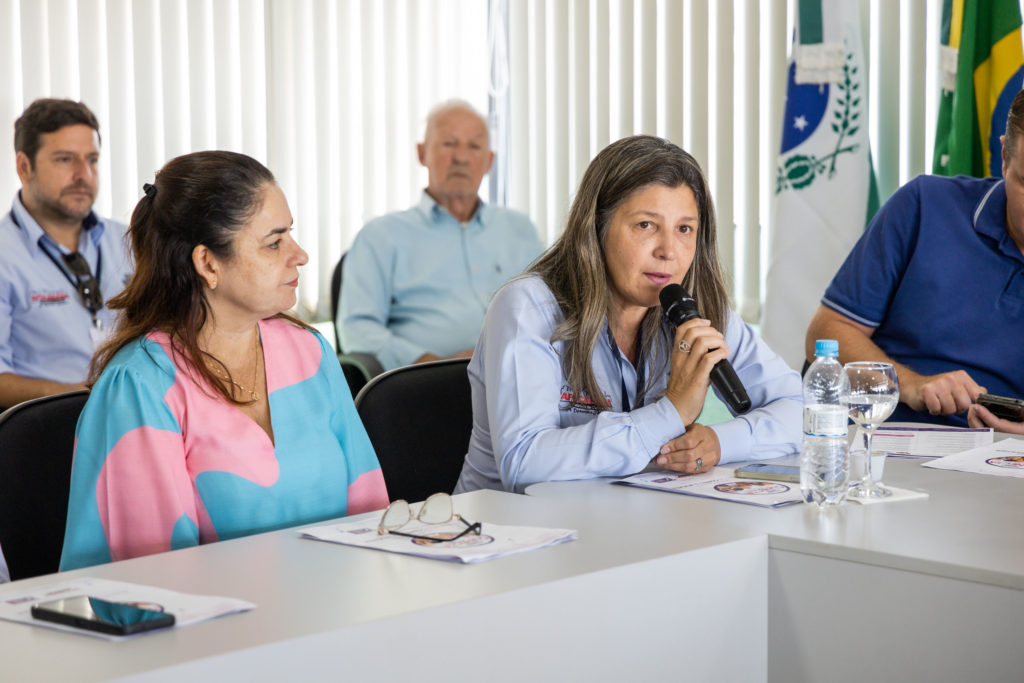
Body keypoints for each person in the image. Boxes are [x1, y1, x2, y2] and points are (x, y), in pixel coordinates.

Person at [60, 151, 389, 571]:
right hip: (218, 633)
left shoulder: (308, 350)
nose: (300, 254)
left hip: (336, 618)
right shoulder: (141, 386)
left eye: (291, 234)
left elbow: (373, 519)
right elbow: (156, 584)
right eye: (274, 242)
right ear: (208, 263)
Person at [455, 136, 801, 494]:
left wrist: (719, 442)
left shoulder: (696, 311)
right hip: (506, 535)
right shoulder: (528, 308)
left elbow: (800, 409)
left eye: (684, 229)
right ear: (596, 228)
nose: (668, 251)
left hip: (628, 526)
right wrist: (672, 412)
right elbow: (524, 463)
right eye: (646, 225)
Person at [806, 89, 1024, 428]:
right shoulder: (924, 206)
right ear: (1005, 155)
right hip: (881, 438)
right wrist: (908, 385)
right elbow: (827, 333)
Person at [338, 100, 543, 371]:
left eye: (474, 146)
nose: (461, 157)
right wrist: (431, 363)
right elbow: (356, 327)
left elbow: (552, 310)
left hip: (523, 372)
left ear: (489, 161)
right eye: (448, 144)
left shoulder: (520, 229)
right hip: (430, 383)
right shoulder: (380, 237)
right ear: (422, 153)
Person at [0, 98, 133, 408]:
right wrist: (86, 394)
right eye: (64, 159)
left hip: (133, 422)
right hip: (47, 432)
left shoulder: (130, 242)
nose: (83, 174)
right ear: (24, 166)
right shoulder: (5, 256)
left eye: (92, 160)